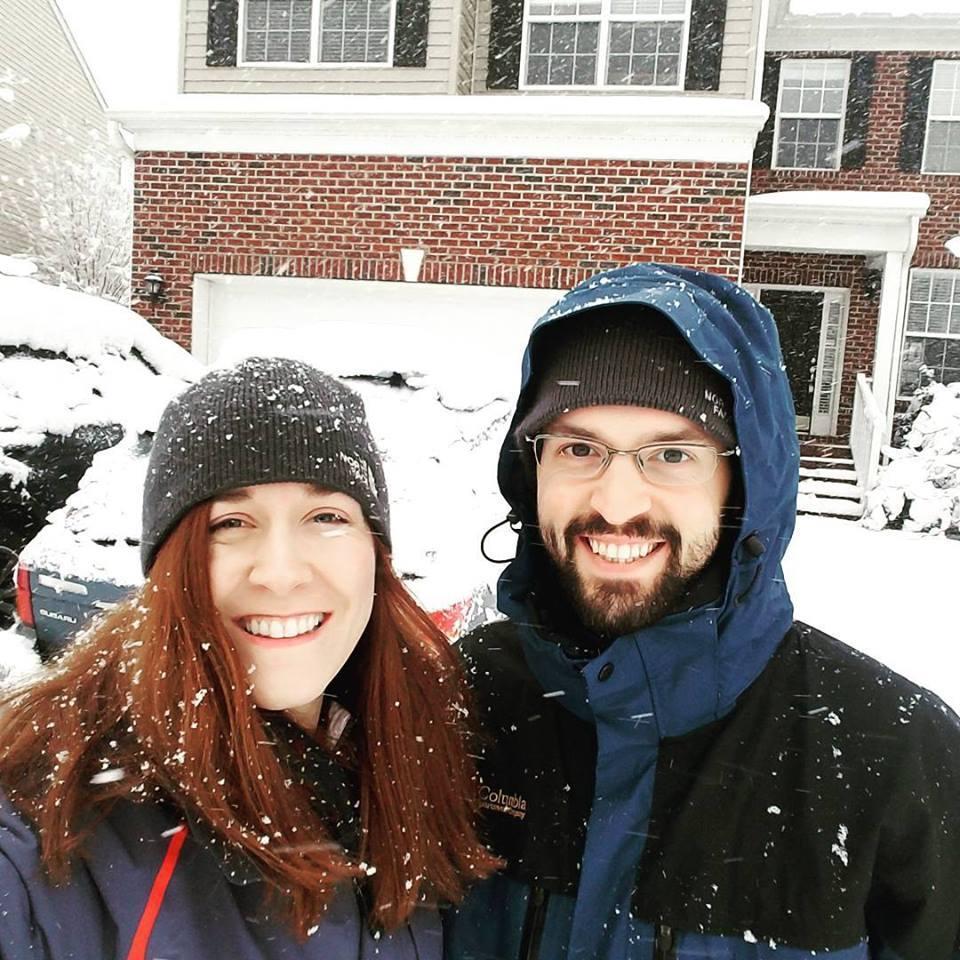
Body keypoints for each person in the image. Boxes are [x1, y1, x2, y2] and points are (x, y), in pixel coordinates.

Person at [443, 263, 960, 959]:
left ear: (741, 483)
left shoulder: (895, 752)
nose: (616, 504)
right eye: (578, 448)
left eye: (672, 454)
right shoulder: (460, 700)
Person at [0, 357, 498, 960]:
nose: (281, 573)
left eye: (326, 517)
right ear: (171, 566)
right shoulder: (49, 826)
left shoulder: (425, 752)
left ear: (376, 552)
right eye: (231, 523)